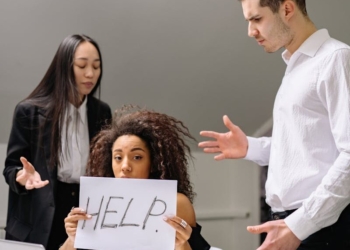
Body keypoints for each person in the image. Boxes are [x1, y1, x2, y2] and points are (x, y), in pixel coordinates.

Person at [199, 0, 350, 249]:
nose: (250, 31)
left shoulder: (336, 59)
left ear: (287, 9)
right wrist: (250, 147)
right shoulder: (296, 66)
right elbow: (307, 148)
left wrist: (299, 226)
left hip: (319, 228)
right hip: (293, 224)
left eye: (256, 19)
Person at [3, 34, 112, 250]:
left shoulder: (102, 112)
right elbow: (10, 168)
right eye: (82, 65)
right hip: (40, 214)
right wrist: (21, 177)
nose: (90, 73)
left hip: (83, 210)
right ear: (64, 67)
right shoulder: (29, 111)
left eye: (96, 67)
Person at [60, 107, 211, 250]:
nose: (125, 166)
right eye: (118, 157)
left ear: (153, 163)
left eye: (137, 157)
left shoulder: (175, 203)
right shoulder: (95, 204)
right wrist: (72, 239)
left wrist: (181, 245)